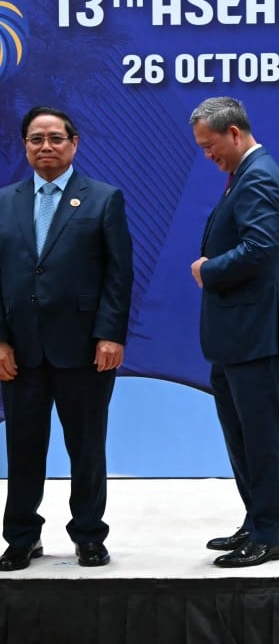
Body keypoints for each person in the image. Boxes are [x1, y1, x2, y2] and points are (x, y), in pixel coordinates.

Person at [0, 106, 133, 571]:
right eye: (36, 139)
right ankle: (20, 537)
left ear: (74, 144)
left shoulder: (102, 199)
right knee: (22, 449)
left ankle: (89, 535)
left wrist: (110, 336)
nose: (46, 147)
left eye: (56, 138)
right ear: (25, 146)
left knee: (87, 448)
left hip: (84, 351)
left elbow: (119, 275)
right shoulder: (4, 201)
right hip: (21, 351)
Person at [189, 97, 279, 568]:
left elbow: (259, 247)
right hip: (239, 334)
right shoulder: (246, 174)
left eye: (210, 144)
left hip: (257, 332)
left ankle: (271, 533)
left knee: (261, 435)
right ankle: (256, 518)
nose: (207, 155)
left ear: (234, 133)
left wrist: (208, 269)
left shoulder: (257, 177)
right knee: (242, 433)